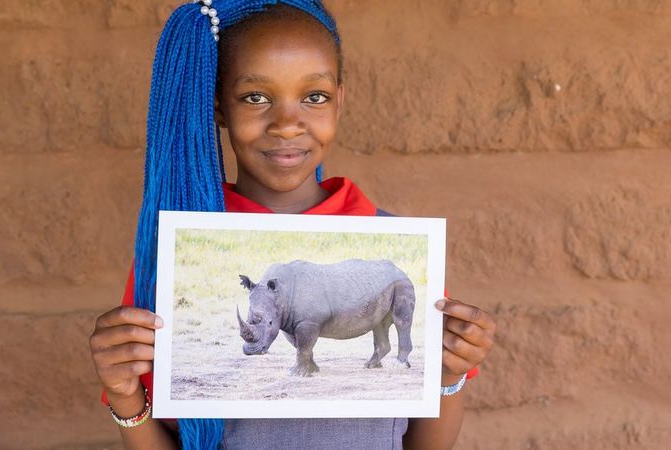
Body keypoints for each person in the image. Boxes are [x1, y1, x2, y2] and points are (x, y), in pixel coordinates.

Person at [88, 1, 496, 449]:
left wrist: (450, 374)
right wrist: (125, 394)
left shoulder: (395, 243)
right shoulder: (171, 255)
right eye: (255, 97)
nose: (286, 124)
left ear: (339, 99)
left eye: (314, 97)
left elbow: (425, 444)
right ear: (219, 107)